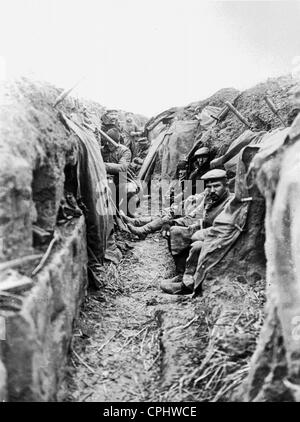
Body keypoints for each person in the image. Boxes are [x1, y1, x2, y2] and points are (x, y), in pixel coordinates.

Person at [160, 169, 233, 295]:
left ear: (226, 185)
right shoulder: (211, 200)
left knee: (197, 245)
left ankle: (188, 285)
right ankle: (181, 273)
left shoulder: (231, 202)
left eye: (217, 186)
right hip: (206, 234)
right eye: (209, 187)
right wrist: (171, 223)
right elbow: (196, 218)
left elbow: (225, 228)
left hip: (224, 241)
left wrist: (199, 234)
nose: (212, 190)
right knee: (175, 232)